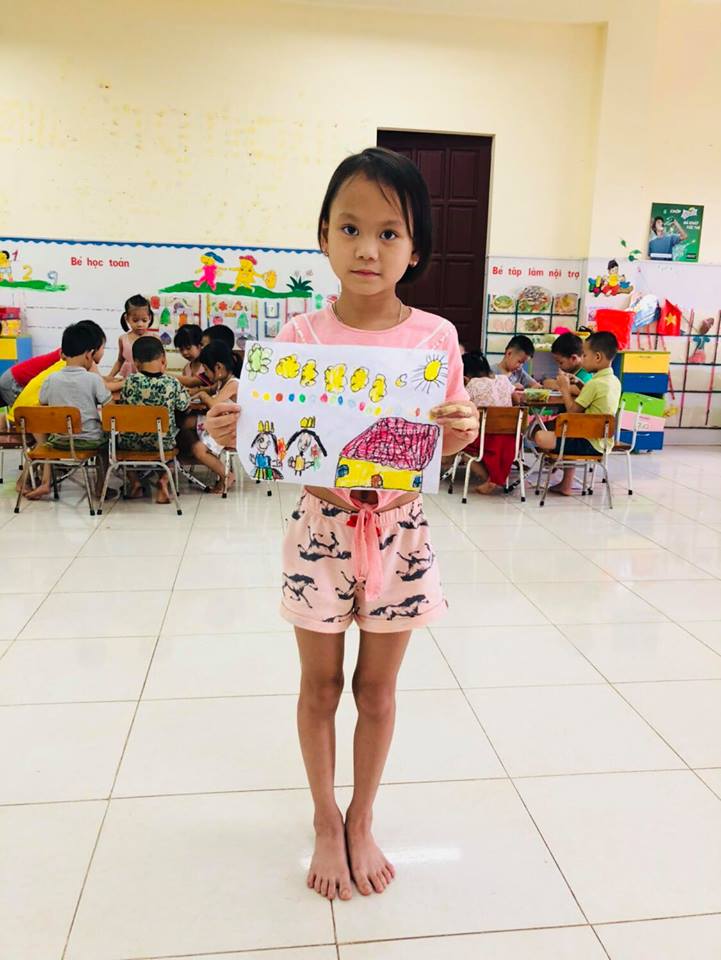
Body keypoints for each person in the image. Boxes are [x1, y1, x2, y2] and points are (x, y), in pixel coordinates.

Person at [203, 147, 478, 902]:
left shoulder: (435, 337)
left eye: (389, 233)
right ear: (323, 235)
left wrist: (462, 431)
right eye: (350, 228)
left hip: (400, 532)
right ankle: (325, 816)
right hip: (321, 532)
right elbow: (269, 439)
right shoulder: (300, 336)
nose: (367, 249)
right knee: (320, 686)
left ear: (415, 248)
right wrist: (231, 428)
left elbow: (444, 438)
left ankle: (363, 816)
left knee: (377, 691)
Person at [23, 322, 111, 501]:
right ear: (89, 354)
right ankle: (100, 488)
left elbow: (42, 406)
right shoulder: (93, 380)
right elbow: (110, 407)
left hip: (59, 441)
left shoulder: (51, 379)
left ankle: (45, 483)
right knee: (105, 446)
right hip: (90, 441)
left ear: (63, 353)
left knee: (48, 442)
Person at [535, 331, 621, 495]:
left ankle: (555, 467)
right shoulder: (613, 381)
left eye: (585, 355)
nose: (583, 359)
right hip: (603, 442)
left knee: (539, 435)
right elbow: (594, 397)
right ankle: (565, 483)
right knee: (562, 431)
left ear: (597, 357)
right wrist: (580, 384)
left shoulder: (595, 384)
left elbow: (573, 411)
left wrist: (565, 388)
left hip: (587, 443)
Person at [118, 337, 191, 504]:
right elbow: (183, 405)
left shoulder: (129, 382)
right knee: (176, 444)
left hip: (130, 443)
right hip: (162, 443)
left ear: (136, 363)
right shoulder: (171, 383)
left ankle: (135, 482)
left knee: (116, 446)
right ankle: (163, 480)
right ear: (163, 359)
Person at [463, 350, 518, 494]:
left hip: (485, 439)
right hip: (511, 437)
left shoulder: (472, 384)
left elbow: (464, 407)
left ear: (466, 375)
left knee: (462, 447)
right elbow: (517, 400)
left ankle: (489, 479)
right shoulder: (504, 380)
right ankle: (495, 478)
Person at [190, 341, 241, 494]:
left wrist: (202, 395)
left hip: (230, 430)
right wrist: (197, 392)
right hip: (222, 425)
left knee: (198, 450)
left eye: (206, 369)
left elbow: (214, 405)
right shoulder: (221, 383)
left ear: (218, 367)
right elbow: (208, 390)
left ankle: (227, 476)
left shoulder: (233, 383)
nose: (205, 374)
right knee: (188, 424)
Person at [108, 294, 157, 380]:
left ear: (149, 317)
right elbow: (120, 361)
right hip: (128, 381)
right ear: (127, 318)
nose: (140, 324)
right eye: (135, 320)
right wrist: (110, 377)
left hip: (149, 381)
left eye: (144, 320)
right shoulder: (123, 339)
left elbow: (161, 362)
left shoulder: (155, 338)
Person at [542, 332, 592, 396]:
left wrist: (558, 385)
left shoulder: (587, 373)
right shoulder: (572, 370)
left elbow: (579, 390)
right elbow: (547, 383)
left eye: (561, 362)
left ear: (573, 358)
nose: (559, 366)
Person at [173, 324, 212, 389]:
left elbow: (191, 382)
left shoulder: (208, 366)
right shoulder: (186, 368)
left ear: (200, 345)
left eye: (188, 348)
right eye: (181, 349)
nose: (185, 352)